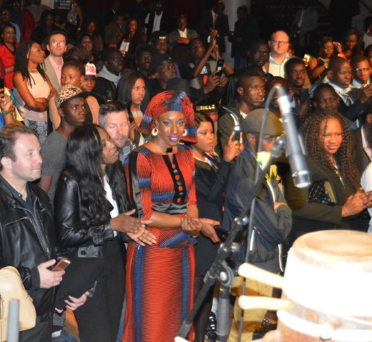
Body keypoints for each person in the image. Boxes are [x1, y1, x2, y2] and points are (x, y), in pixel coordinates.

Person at [0, 125, 87, 340]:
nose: (39, 159)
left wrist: (70, 287)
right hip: (13, 318)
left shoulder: (39, 196)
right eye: (29, 154)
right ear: (7, 162)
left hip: (44, 309)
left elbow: (54, 248)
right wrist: (32, 277)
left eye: (38, 151)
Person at [122, 91, 210, 342]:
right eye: (167, 122)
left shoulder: (185, 154)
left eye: (180, 122)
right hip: (152, 248)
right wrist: (191, 224)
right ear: (155, 124)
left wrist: (192, 223)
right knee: (151, 320)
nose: (175, 129)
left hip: (183, 247)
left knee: (179, 318)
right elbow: (145, 214)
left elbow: (191, 201)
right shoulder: (140, 157)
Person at [54, 124, 145, 341]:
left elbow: (122, 221)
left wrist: (133, 228)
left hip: (115, 260)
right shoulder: (71, 180)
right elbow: (66, 235)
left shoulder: (115, 172)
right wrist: (111, 227)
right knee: (98, 336)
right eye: (103, 144)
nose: (113, 145)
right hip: (87, 265)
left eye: (109, 140)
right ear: (88, 151)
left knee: (112, 332)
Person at [222, 109, 292, 342]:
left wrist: (279, 206)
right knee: (242, 331)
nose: (275, 144)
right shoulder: (245, 174)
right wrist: (282, 207)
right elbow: (276, 230)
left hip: (260, 259)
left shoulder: (261, 163)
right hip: (251, 263)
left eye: (277, 138)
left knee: (245, 329)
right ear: (251, 137)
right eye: (269, 138)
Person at [189, 112, 241, 342]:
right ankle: (192, 336)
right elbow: (210, 194)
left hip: (216, 232)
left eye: (212, 132)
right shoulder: (188, 161)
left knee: (208, 289)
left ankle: (200, 337)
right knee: (198, 291)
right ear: (190, 136)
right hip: (200, 232)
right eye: (204, 133)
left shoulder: (210, 158)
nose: (211, 138)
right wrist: (227, 161)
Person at [286, 110, 370, 241]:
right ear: (315, 135)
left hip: (341, 238)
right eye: (326, 135)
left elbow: (345, 202)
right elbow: (297, 207)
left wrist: (362, 201)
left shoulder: (344, 162)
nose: (333, 140)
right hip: (314, 240)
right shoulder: (303, 164)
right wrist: (342, 211)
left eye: (338, 134)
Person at [39, 85, 89, 202]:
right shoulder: (52, 146)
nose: (81, 111)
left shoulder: (82, 138)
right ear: (61, 112)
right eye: (75, 107)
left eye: (83, 106)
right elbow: (42, 191)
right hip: (59, 210)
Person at [13, 41, 55, 143]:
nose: (42, 52)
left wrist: (44, 101)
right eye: (38, 50)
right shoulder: (20, 76)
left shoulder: (43, 74)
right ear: (27, 55)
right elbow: (33, 105)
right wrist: (47, 103)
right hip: (30, 124)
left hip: (48, 120)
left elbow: (54, 93)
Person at [117, 71, 147, 145]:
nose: (141, 92)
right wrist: (131, 140)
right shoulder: (118, 115)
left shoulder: (147, 111)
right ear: (126, 89)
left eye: (143, 88)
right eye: (137, 88)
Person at [0, 23, 19, 90]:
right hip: (7, 86)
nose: (11, 35)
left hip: (20, 83)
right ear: (2, 35)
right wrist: (15, 67)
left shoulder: (19, 46)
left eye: (13, 32)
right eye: (8, 32)